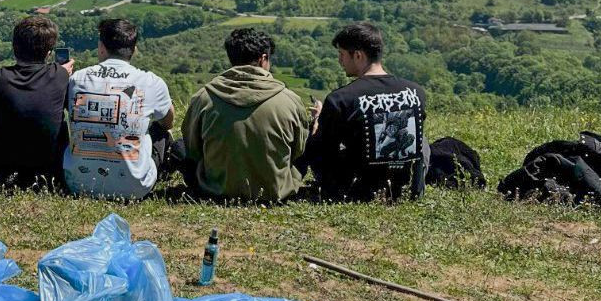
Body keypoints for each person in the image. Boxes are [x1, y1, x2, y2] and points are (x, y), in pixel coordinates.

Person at [179, 28, 309, 203]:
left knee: (178, 147)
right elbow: (298, 150)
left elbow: (193, 149)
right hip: (275, 191)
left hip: (215, 191)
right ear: (263, 59)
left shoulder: (203, 98)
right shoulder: (290, 100)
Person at [300, 22, 427, 201]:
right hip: (408, 190)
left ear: (358, 55)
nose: (340, 60)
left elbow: (323, 150)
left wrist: (317, 123)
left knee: (317, 142)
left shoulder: (340, 99)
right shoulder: (416, 92)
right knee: (423, 141)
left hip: (360, 193)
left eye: (342, 54)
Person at [64, 18, 174, 199]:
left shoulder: (76, 79)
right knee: (161, 131)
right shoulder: (151, 82)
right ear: (134, 49)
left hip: (77, 184)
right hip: (136, 189)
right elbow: (168, 123)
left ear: (101, 47)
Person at [0, 15, 73, 190]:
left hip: (1, 173)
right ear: (49, 53)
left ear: (14, 47)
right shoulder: (60, 75)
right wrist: (61, 72)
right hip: (50, 176)